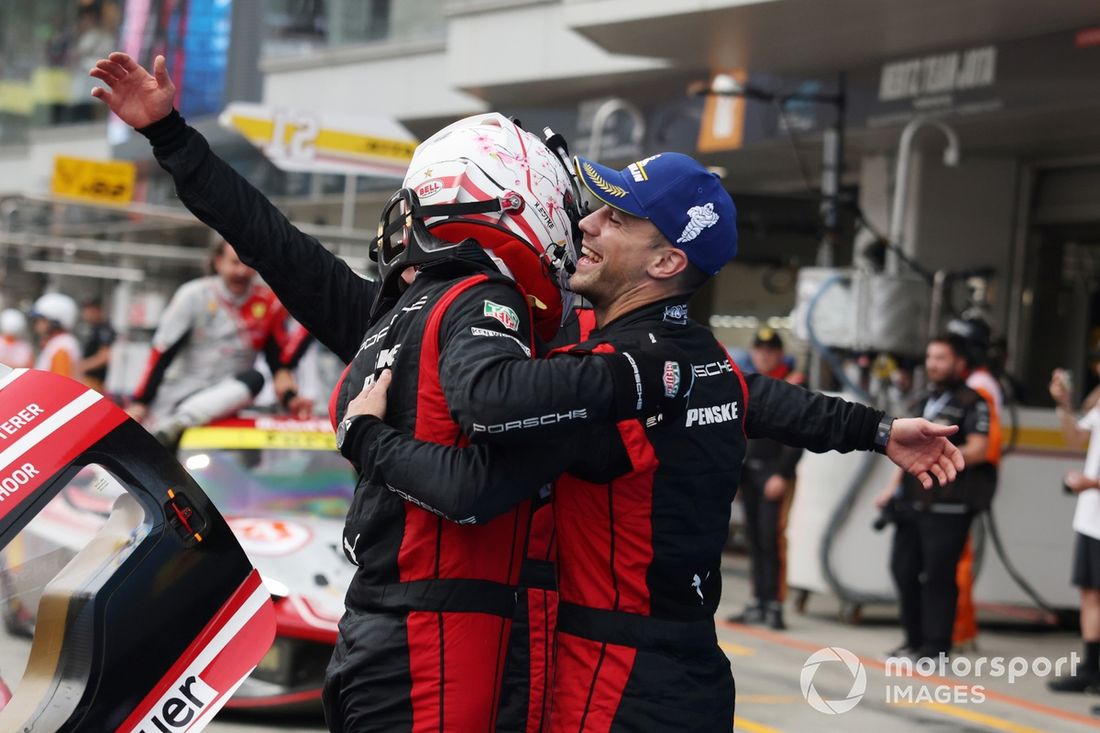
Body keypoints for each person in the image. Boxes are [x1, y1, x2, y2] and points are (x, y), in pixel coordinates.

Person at [91, 53, 693, 733]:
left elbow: (500, 477)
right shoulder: (416, 315)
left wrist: (367, 438)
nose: (584, 231)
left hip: (504, 634)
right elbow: (274, 244)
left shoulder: (561, 335)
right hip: (398, 621)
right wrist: (171, 136)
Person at [342, 153, 966, 731]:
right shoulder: (698, 359)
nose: (585, 223)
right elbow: (763, 399)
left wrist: (367, 436)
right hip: (694, 672)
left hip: (610, 684)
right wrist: (877, 429)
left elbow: (468, 487)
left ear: (666, 262)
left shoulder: (610, 382)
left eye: (615, 217)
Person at [875, 333, 994, 662]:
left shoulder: (974, 401)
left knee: (939, 575)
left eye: (941, 358)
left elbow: (981, 449)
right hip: (913, 500)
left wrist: (940, 453)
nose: (933, 365)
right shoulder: (924, 400)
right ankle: (913, 641)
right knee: (903, 569)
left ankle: (936, 647)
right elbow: (907, 450)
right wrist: (890, 489)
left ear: (960, 363)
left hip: (950, 503)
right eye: (930, 358)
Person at [125, 240, 311, 445]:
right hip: (178, 396)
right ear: (218, 262)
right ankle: (173, 424)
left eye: (248, 264)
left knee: (256, 378)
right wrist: (140, 402)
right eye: (235, 263)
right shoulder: (193, 295)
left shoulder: (269, 304)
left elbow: (278, 366)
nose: (242, 271)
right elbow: (162, 351)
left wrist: (291, 399)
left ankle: (180, 423)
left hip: (227, 400)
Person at [729, 327, 805, 630]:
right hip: (750, 473)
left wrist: (783, 474)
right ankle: (757, 601)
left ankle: (774, 605)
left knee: (773, 540)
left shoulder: (793, 383)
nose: (763, 356)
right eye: (759, 350)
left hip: (775, 472)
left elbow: (799, 437)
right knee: (755, 540)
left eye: (769, 351)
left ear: (778, 354)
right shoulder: (751, 384)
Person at [947, 316, 1003, 652]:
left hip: (967, 482)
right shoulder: (975, 382)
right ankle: (961, 630)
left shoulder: (980, 386)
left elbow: (985, 447)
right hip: (960, 478)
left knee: (957, 560)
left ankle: (957, 630)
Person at [1048, 364, 1100, 695]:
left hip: (1092, 498)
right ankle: (1091, 668)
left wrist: (1091, 482)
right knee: (1089, 592)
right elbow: (1076, 438)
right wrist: (1064, 405)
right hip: (1092, 516)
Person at [31, 293, 83, 379]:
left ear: (54, 323)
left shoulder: (62, 346)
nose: (36, 324)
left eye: (40, 320)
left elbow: (60, 384)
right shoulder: (58, 342)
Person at [77, 296, 115, 393]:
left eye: (91, 310)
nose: (87, 313)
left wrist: (81, 366)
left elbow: (104, 357)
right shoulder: (93, 329)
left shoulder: (103, 329)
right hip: (88, 378)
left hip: (95, 381)